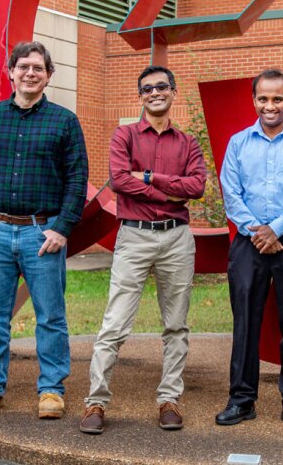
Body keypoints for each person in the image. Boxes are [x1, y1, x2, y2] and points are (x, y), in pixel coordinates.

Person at [0, 41, 88, 419]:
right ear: (11, 72)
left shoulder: (64, 121)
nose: (30, 73)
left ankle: (51, 390)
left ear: (49, 75)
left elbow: (77, 179)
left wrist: (62, 228)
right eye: (24, 67)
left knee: (50, 315)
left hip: (42, 235)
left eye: (38, 68)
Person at [79, 65, 206, 435]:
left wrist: (148, 178)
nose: (155, 92)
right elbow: (119, 180)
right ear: (140, 96)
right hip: (134, 236)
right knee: (114, 323)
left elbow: (196, 186)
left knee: (176, 324)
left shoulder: (188, 143)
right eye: (147, 88)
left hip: (176, 239)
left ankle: (169, 399)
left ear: (173, 92)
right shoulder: (125, 135)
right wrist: (171, 190)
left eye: (161, 86)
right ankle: (96, 402)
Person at [215, 68, 283, 431]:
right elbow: (231, 193)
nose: (270, 105)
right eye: (263, 98)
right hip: (248, 242)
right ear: (254, 101)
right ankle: (241, 399)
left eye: (277, 98)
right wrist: (257, 231)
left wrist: (276, 228)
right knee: (245, 320)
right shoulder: (238, 143)